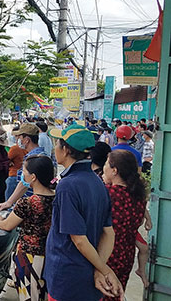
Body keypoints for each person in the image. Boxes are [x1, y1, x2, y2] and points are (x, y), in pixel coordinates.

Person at [45, 124, 123, 301]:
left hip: (67, 277)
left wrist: (104, 270)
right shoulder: (97, 182)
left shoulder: (67, 185)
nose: (55, 148)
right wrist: (99, 268)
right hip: (87, 276)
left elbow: (79, 239)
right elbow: (108, 233)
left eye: (57, 144)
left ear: (65, 150)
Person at [0, 155, 55, 301]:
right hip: (50, 254)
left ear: (33, 177)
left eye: (24, 171)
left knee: (29, 296)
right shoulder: (57, 197)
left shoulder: (28, 203)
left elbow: (7, 225)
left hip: (29, 258)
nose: (22, 174)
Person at [102, 150, 147, 300]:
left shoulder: (107, 194)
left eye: (106, 164)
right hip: (126, 255)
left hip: (105, 256)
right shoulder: (139, 195)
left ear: (114, 171)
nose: (104, 168)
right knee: (117, 293)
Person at [0, 123, 47, 211]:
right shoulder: (43, 155)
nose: (18, 140)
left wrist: (9, 202)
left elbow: (24, 184)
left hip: (29, 204)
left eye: (19, 137)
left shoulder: (32, 159)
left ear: (27, 140)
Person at [6, 132, 27, 202]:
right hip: (23, 177)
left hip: (13, 175)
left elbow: (6, 160)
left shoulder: (15, 148)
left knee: (9, 201)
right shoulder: (27, 149)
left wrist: (9, 163)